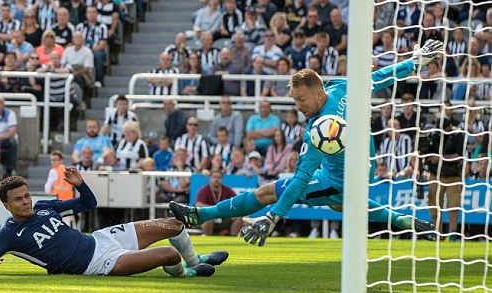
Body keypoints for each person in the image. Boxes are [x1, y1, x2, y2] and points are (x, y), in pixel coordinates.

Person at [170, 39, 444, 246]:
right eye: (294, 100)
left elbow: (302, 178)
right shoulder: (342, 88)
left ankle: (200, 215)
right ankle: (402, 220)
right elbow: (379, 78)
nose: (298, 105)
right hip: (362, 167)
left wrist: (273, 217)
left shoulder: (318, 131)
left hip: (337, 179)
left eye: (301, 99)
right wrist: (416, 60)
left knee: (268, 191)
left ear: (317, 93)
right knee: (342, 204)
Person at [0, 170, 229, 277]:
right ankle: (188, 273)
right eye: (18, 199)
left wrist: (80, 184)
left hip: (101, 238)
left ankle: (196, 261)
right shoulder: (8, 234)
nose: (26, 202)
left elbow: (88, 204)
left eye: (27, 195)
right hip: (97, 264)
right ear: (7, 205)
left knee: (173, 224)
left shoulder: (44, 207)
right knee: (170, 254)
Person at [196, 169, 243, 236]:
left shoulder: (227, 190)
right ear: (210, 178)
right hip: (210, 217)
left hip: (224, 217)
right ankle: (208, 237)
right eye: (214, 177)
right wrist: (215, 209)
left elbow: (236, 203)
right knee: (207, 218)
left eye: (219, 177)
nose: (216, 179)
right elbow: (198, 204)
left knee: (238, 218)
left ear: (221, 179)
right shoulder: (203, 190)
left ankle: (232, 238)